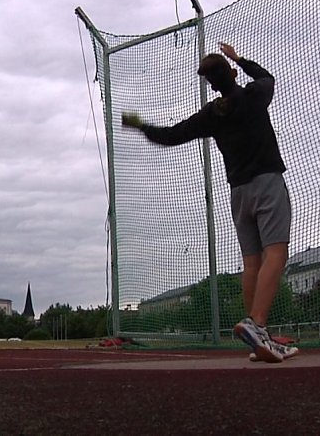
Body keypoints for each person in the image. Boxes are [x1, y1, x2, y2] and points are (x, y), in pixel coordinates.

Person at [121, 42, 298, 363]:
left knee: (252, 262)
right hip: (267, 183)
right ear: (232, 74)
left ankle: (258, 337)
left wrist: (141, 126)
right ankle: (257, 324)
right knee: (276, 253)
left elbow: (171, 135)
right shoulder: (255, 96)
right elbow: (267, 77)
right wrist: (239, 58)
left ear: (212, 85)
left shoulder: (211, 115)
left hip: (239, 194)